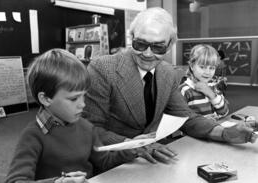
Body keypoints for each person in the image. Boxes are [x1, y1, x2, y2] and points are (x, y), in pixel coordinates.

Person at [84, 7, 258, 164]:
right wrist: (133, 145)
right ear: (131, 39)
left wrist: (224, 133)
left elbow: (185, 116)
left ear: (169, 46)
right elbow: (91, 128)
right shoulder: (103, 68)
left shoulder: (167, 72)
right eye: (140, 44)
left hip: (156, 158)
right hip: (114, 161)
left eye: (158, 47)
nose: (147, 53)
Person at [5, 49, 137, 183]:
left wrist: (131, 149)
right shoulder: (32, 136)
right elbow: (16, 180)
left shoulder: (86, 127)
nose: (83, 105)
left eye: (83, 96)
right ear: (45, 99)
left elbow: (104, 162)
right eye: (74, 99)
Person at [179, 44, 229, 120]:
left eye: (212, 68)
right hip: (194, 131)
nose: (207, 72)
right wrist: (203, 121)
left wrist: (211, 94)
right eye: (202, 67)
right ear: (192, 66)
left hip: (213, 129)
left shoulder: (214, 86)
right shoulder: (185, 90)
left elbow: (224, 112)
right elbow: (179, 120)